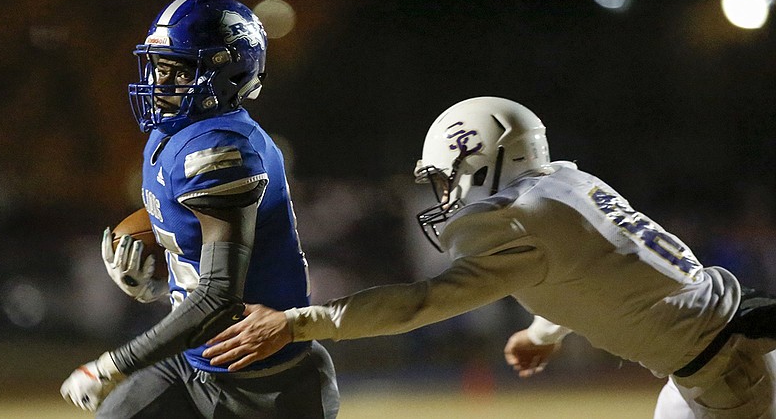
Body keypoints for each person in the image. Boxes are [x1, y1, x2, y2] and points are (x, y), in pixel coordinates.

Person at [201, 96, 776, 418]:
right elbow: (599, 273)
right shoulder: (567, 189)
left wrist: (296, 324)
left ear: (487, 161)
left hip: (733, 374)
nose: (448, 195)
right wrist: (545, 333)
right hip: (728, 353)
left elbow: (416, 305)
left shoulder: (518, 221)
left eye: (452, 178)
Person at [60, 0, 339, 418]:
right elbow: (194, 252)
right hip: (191, 365)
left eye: (177, 71)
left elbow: (217, 298)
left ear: (227, 74)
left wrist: (114, 365)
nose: (159, 83)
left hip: (265, 386)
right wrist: (159, 279)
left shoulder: (221, 151)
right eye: (158, 67)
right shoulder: (172, 134)